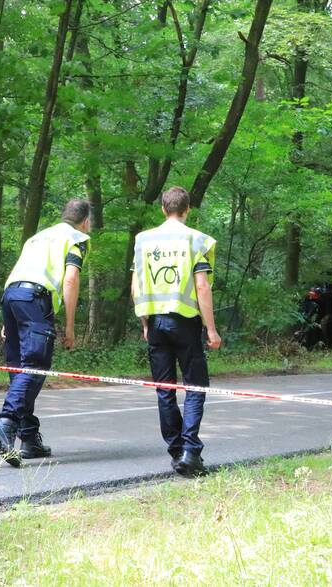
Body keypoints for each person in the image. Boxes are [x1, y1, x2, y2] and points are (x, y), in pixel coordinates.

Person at [0, 199, 91, 467]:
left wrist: (10, 320)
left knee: (20, 370)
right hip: (35, 298)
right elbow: (70, 279)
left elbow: (20, 273)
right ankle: (6, 422)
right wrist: (69, 325)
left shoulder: (38, 237)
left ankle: (29, 438)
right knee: (35, 366)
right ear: (85, 221)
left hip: (11, 296)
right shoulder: (78, 237)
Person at [132, 186, 222, 477]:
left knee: (165, 390)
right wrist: (211, 329)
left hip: (155, 323)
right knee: (195, 386)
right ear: (187, 210)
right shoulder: (196, 240)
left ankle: (177, 450)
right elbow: (202, 286)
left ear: (162, 208)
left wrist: (144, 322)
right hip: (185, 322)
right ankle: (190, 450)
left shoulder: (143, 241)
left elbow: (136, 286)